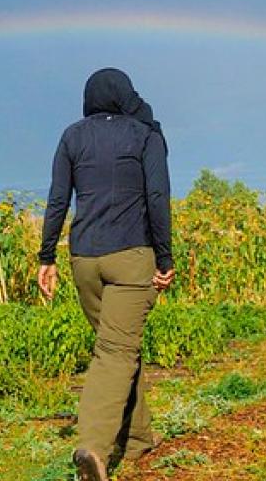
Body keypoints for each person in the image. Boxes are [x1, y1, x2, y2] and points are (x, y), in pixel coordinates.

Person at [37, 67, 175, 481]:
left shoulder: (72, 136)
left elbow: (58, 198)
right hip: (132, 256)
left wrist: (47, 257)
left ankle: (137, 441)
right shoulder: (146, 134)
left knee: (118, 345)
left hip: (85, 261)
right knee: (115, 352)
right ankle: (94, 450)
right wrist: (164, 258)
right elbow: (157, 196)